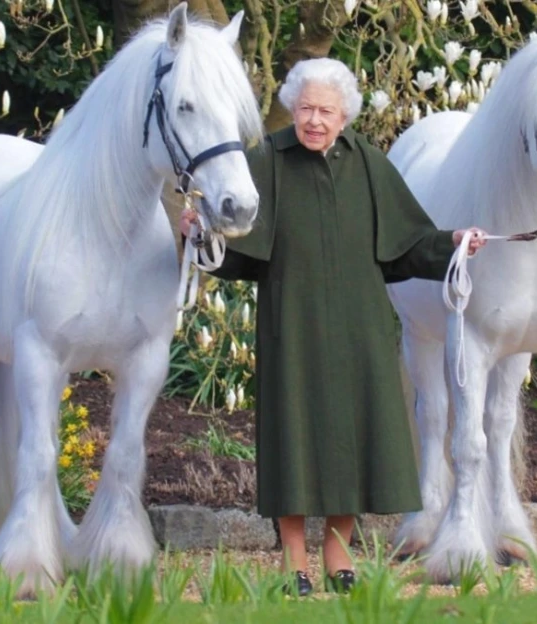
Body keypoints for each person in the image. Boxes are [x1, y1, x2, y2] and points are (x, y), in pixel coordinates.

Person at [179, 57, 487, 596]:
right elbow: (234, 249)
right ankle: (294, 560)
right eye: (304, 109)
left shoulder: (368, 163)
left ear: (345, 115)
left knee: (354, 439)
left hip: (359, 326)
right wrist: (198, 234)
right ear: (291, 110)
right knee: (292, 440)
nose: (314, 120)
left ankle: (338, 553)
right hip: (290, 324)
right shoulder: (268, 160)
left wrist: (455, 242)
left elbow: (409, 244)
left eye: (325, 110)